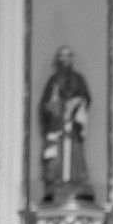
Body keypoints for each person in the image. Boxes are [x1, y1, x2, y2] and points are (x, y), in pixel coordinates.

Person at [38, 45, 94, 203]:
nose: (64, 59)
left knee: (74, 152)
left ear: (71, 58)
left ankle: (77, 181)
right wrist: (55, 108)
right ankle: (57, 181)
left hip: (73, 125)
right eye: (61, 56)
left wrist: (76, 104)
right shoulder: (53, 80)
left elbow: (85, 97)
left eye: (67, 56)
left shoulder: (78, 79)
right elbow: (46, 104)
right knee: (59, 153)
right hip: (58, 124)